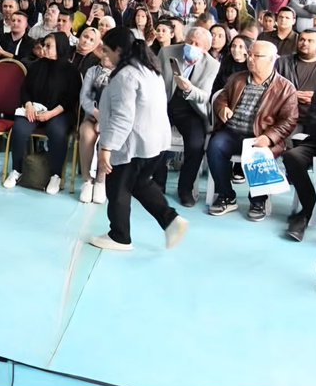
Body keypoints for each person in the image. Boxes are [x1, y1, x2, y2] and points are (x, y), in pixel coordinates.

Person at [89, 27, 188, 251]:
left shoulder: (126, 76)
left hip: (134, 144)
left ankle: (120, 236)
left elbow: (123, 117)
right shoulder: (148, 69)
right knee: (140, 184)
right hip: (154, 142)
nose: (104, 56)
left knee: (118, 188)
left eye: (107, 51)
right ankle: (171, 220)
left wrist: (106, 148)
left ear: (119, 50)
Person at [208, 40, 299, 220]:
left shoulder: (285, 87)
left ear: (272, 59)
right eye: (250, 54)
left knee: (260, 152)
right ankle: (226, 195)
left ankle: (258, 201)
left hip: (260, 135)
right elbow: (221, 98)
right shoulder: (237, 78)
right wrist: (222, 108)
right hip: (233, 132)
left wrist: (270, 137)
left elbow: (289, 120)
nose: (250, 59)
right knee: (215, 146)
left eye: (256, 56)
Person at [277, 29, 316, 242]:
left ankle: (307, 215)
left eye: (310, 40)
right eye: (301, 39)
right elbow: (314, 118)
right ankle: (310, 206)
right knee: (292, 156)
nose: (304, 43)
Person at [2, 32, 81, 195]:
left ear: (60, 47)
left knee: (57, 132)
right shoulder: (37, 65)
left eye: (48, 46)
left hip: (59, 112)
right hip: (34, 109)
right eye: (44, 45)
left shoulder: (71, 70)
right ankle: (17, 170)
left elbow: (70, 99)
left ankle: (56, 175)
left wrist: (50, 114)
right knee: (19, 130)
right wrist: (29, 105)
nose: (43, 49)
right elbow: (25, 89)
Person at [156, 27, 220, 206]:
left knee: (195, 145)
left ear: (205, 48)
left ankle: (185, 188)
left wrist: (189, 89)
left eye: (197, 44)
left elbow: (204, 96)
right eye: (189, 41)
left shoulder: (211, 64)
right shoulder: (167, 52)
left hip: (191, 109)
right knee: (157, 137)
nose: (191, 46)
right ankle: (158, 183)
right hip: (165, 105)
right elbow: (157, 81)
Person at [77, 49, 113, 204]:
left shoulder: (122, 74)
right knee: (86, 134)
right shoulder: (92, 71)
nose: (105, 56)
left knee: (106, 136)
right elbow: (84, 98)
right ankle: (87, 180)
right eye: (103, 52)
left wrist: (104, 119)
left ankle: (100, 180)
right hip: (92, 116)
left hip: (112, 121)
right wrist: (96, 113)